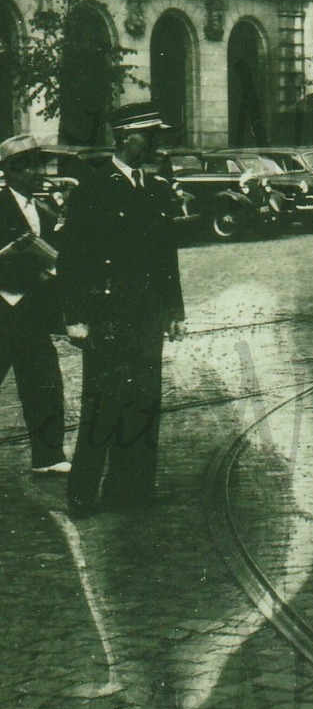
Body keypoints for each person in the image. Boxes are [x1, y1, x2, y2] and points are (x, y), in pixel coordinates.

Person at [55, 103, 186, 517]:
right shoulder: (94, 188)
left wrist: (174, 310)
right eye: (148, 135)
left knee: (144, 402)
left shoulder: (153, 186)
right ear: (126, 137)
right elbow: (72, 257)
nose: (154, 142)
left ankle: (132, 490)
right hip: (107, 312)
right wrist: (74, 316)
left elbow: (166, 255)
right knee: (103, 402)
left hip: (146, 314)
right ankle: (82, 494)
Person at [0, 134, 70, 474]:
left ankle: (49, 457)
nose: (37, 173)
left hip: (33, 316)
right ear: (11, 171)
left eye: (38, 165)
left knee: (45, 382)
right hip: (3, 310)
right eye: (28, 167)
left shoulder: (44, 209)